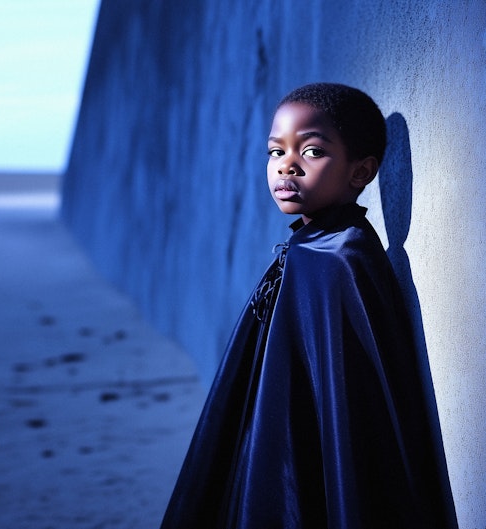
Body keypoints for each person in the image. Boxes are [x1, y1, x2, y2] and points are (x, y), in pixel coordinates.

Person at [161, 83, 456, 528]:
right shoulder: (309, 246)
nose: (288, 167)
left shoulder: (343, 258)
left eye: (312, 152)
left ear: (361, 173)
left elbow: (348, 407)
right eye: (276, 152)